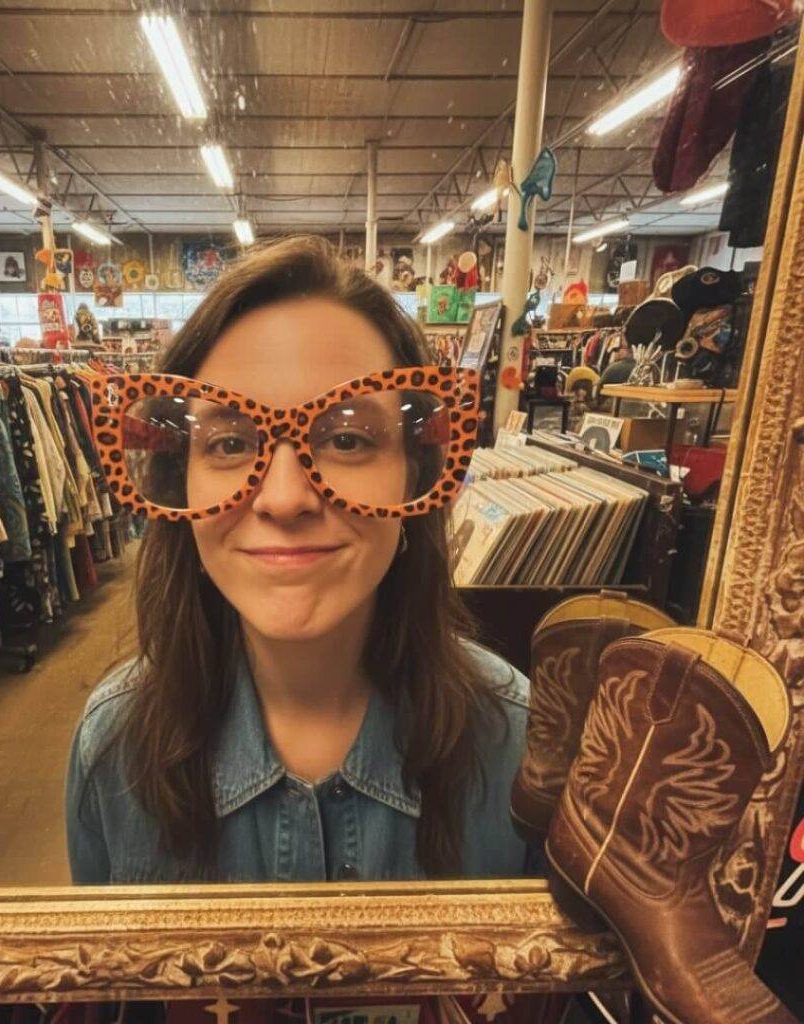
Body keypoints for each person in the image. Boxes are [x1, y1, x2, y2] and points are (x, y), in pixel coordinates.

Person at [66, 235, 535, 884]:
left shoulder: (517, 743)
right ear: (182, 485)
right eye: (229, 444)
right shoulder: (114, 748)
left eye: (347, 439)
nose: (284, 498)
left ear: (415, 476)